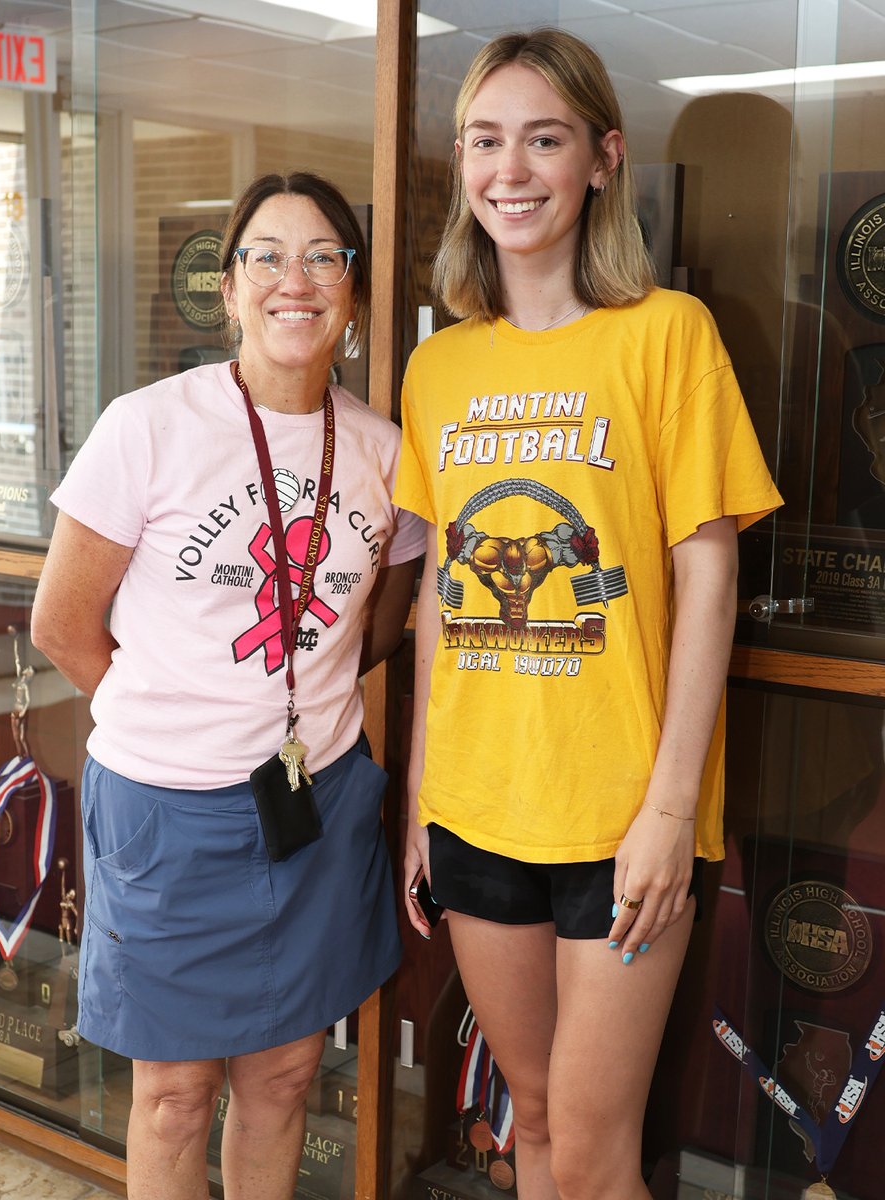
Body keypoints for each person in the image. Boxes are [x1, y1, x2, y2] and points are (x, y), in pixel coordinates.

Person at [394, 29, 782, 1200]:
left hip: (622, 819)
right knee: (542, 1121)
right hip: (475, 806)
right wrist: (419, 803)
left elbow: (709, 577)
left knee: (603, 1146)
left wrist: (671, 807)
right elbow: (436, 597)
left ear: (604, 158)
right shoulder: (439, 367)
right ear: (462, 166)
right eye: (486, 140)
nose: (511, 170)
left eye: (545, 138)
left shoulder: (668, 336)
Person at [31, 171, 425, 1200]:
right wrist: (180, 722)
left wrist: (293, 713)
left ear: (355, 290)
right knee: (173, 1093)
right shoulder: (148, 426)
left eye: (323, 258)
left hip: (315, 804)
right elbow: (64, 627)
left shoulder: (385, 452)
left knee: (289, 1072)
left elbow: (374, 626)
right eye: (266, 257)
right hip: (165, 811)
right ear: (229, 287)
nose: (295, 280)